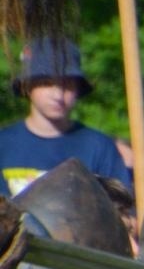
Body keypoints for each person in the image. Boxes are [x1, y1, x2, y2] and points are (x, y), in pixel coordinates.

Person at [0, 38, 131, 194]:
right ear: (28, 87)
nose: (58, 95)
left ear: (77, 89)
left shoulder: (99, 148)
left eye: (67, 85)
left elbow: (122, 211)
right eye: (46, 83)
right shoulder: (4, 145)